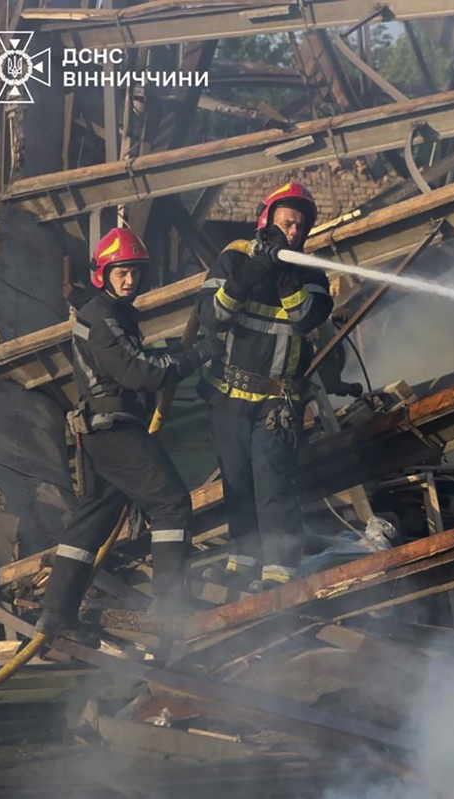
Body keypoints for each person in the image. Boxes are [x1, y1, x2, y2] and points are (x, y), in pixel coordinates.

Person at [38, 228, 221, 640]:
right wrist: (200, 353)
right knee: (172, 502)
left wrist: (179, 355)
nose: (129, 280)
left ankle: (56, 615)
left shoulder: (112, 315)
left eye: (135, 272)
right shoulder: (101, 318)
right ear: (103, 274)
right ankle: (170, 605)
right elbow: (142, 372)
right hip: (115, 431)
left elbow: (141, 360)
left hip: (103, 434)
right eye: (121, 272)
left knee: (91, 524)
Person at [195, 182, 333, 593]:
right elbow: (210, 316)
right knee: (237, 483)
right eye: (286, 223)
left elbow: (306, 318)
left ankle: (279, 572)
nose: (292, 232)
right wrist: (248, 275)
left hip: (276, 403)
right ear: (267, 221)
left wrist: (284, 273)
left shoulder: (309, 273)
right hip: (228, 397)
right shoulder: (233, 258)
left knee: (273, 484)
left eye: (299, 226)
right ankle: (244, 561)